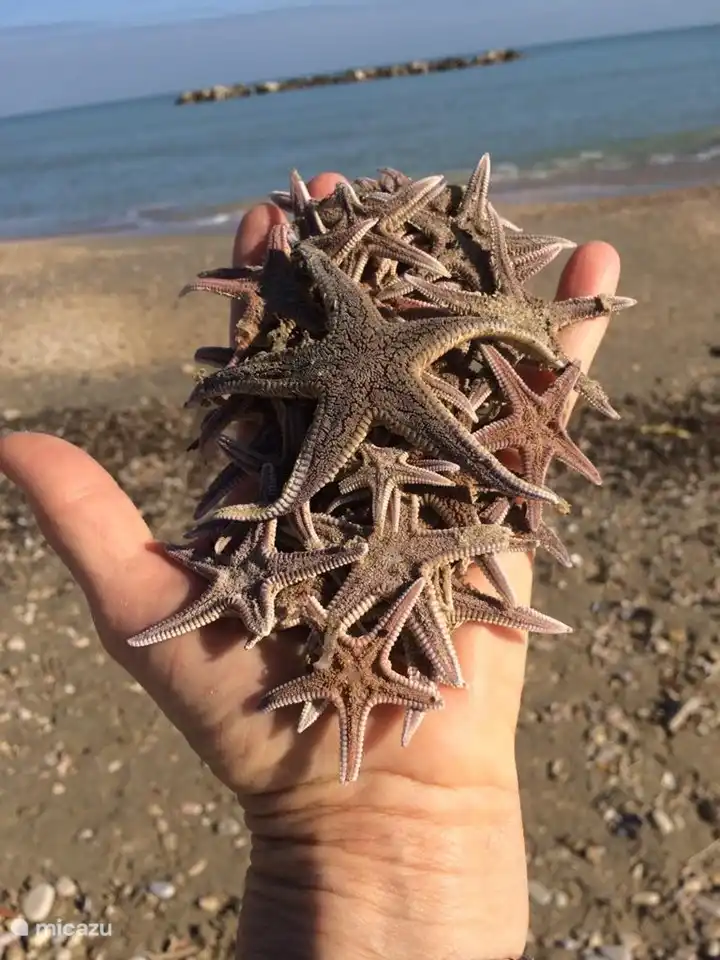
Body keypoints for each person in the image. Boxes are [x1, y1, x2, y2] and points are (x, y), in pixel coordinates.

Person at [0, 171, 622, 960]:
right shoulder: (352, 351)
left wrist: (493, 473)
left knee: (390, 467)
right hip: (355, 414)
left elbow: (407, 410)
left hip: (402, 404)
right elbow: (307, 355)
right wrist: (281, 484)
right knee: (300, 461)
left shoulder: (397, 346)